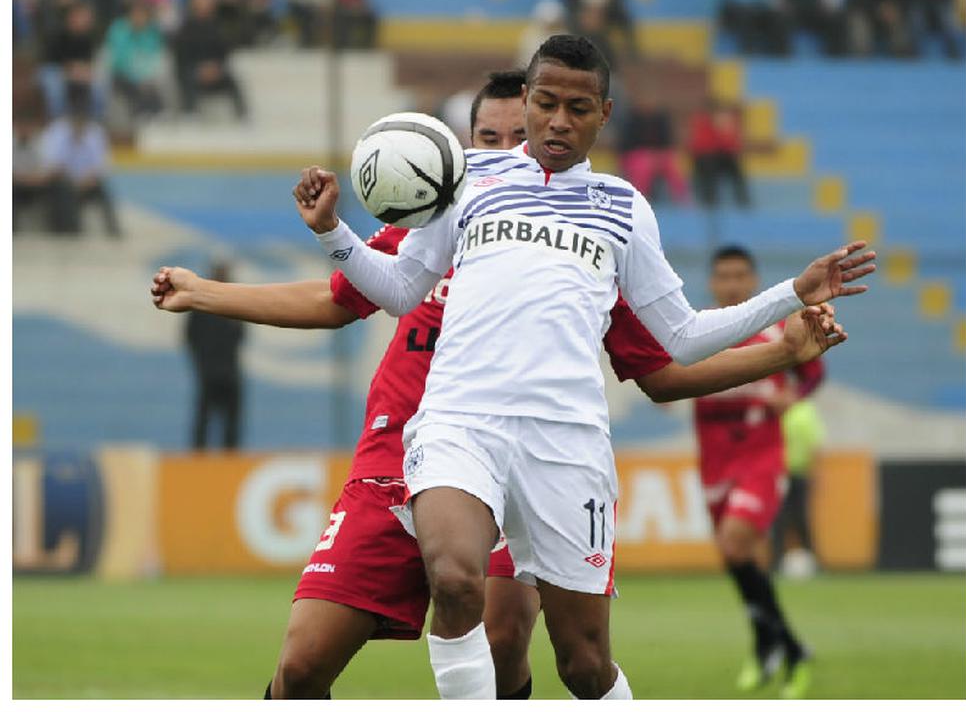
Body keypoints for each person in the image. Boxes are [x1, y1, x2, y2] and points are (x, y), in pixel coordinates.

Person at [151, 68, 848, 700]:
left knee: (527, 645)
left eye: (531, 125)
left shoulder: (593, 235)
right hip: (406, 455)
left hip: (525, 455)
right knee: (301, 668)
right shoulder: (443, 209)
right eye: (493, 135)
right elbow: (344, 297)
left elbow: (665, 366)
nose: (520, 142)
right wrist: (208, 290)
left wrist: (781, 348)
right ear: (462, 147)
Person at [693, 245, 824, 699]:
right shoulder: (697, 331)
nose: (731, 284)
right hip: (713, 459)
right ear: (712, 282)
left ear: (753, 280)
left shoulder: (773, 328)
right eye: (723, 276)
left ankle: (779, 646)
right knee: (738, 559)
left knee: (735, 541)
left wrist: (797, 396)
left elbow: (813, 366)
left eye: (739, 275)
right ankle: (777, 645)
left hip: (761, 455)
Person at [36, 82, 121, 236]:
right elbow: (51, 163)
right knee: (61, 188)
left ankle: (114, 230)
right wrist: (71, 180)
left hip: (88, 181)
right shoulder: (56, 131)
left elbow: (104, 164)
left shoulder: (96, 132)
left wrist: (88, 178)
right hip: (63, 181)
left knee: (103, 189)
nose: (79, 124)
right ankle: (72, 231)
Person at [185, 261, 246, 449]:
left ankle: (228, 460)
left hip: (227, 371)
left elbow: (240, 335)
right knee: (206, 419)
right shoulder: (202, 305)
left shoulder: (234, 303)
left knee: (229, 421)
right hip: (212, 371)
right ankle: (200, 460)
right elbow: (191, 336)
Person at [771, 397, 826, 577]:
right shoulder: (776, 409)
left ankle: (812, 560)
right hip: (778, 475)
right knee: (779, 519)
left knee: (801, 518)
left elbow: (814, 444)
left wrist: (816, 471)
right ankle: (776, 562)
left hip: (799, 473)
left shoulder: (805, 411)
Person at [174, 0, 247, 119]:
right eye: (202, 0)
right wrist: (200, 69)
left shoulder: (217, 26)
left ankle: (242, 113)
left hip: (214, 70)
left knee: (231, 79)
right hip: (192, 70)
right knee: (187, 77)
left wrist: (215, 68)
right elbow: (182, 55)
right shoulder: (186, 27)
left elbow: (223, 52)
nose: (206, 4)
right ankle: (190, 112)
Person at [106, 0, 166, 119]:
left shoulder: (152, 33)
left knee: (154, 84)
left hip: (146, 76)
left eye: (142, 15)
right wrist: (137, 78)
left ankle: (157, 113)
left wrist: (147, 76)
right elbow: (118, 60)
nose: (138, 18)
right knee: (128, 83)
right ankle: (140, 113)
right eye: (136, 14)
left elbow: (155, 58)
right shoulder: (119, 30)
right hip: (122, 74)